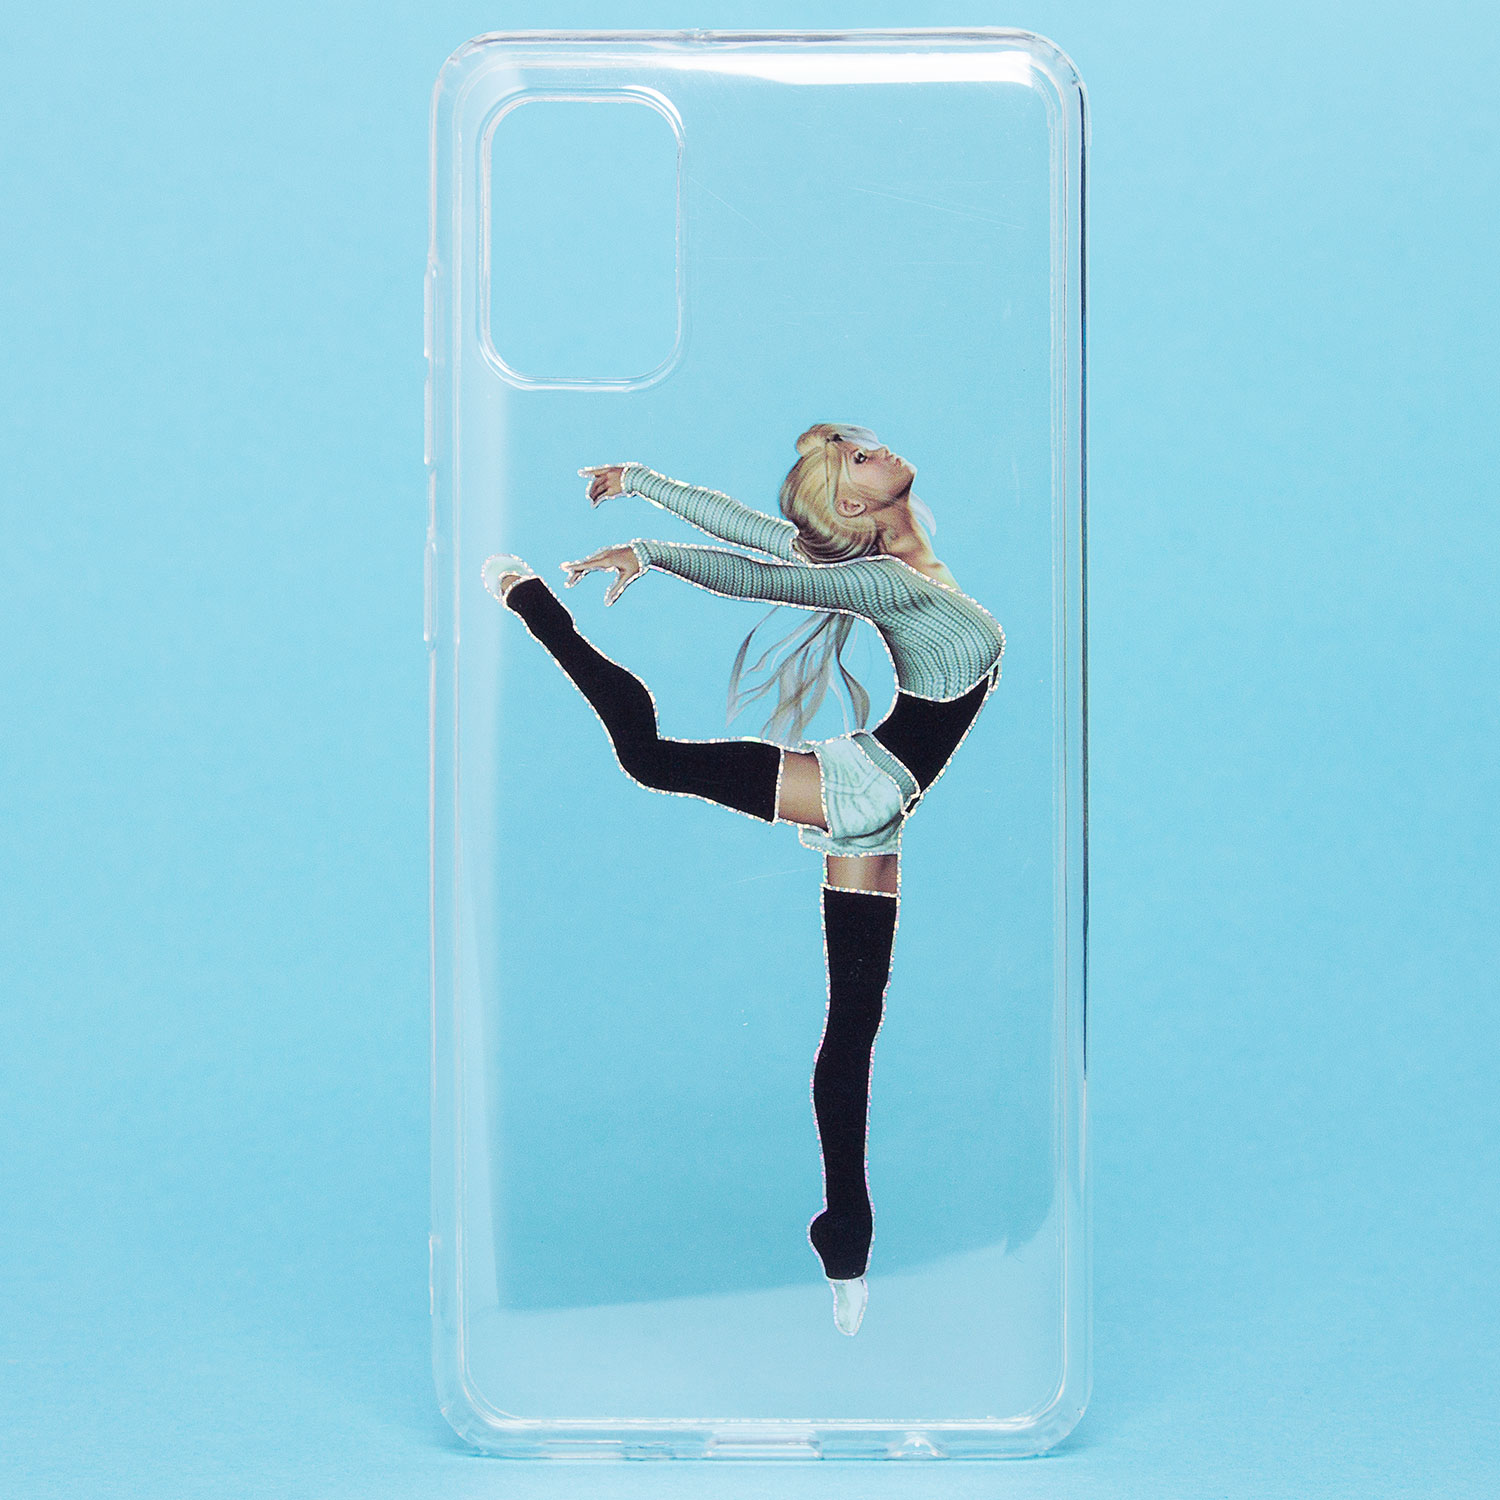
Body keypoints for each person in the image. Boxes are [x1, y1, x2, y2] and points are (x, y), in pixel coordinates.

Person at [481, 423, 1005, 1335]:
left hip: (882, 804)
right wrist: (650, 543)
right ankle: (535, 606)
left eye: (863, 444)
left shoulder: (897, 557)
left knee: (854, 1027)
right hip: (864, 787)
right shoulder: (882, 580)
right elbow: (764, 573)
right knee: (649, 757)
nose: (875, 447)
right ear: (856, 499)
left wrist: (640, 479)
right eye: (859, 455)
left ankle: (846, 1251)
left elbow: (767, 540)